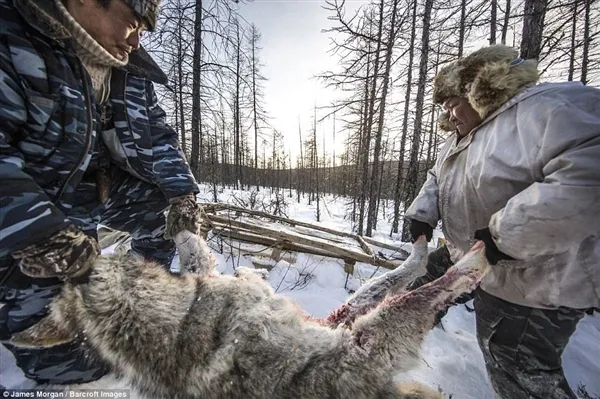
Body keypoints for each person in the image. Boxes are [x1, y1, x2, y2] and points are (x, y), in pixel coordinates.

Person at [0, 0, 200, 385]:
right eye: (132, 23)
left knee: (164, 216)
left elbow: (157, 134)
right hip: (25, 219)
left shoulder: (129, 70)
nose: (137, 40)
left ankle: (145, 290)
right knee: (80, 361)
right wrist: (41, 236)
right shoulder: (14, 36)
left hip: (92, 196)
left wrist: (182, 197)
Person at [404, 44, 600, 399]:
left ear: (479, 89)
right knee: (417, 292)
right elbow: (437, 177)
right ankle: (393, 342)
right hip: (469, 256)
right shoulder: (460, 137)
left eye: (452, 102)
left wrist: (503, 237)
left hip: (535, 278)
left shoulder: (552, 107)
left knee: (514, 361)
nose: (448, 112)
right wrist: (422, 213)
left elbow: (587, 179)